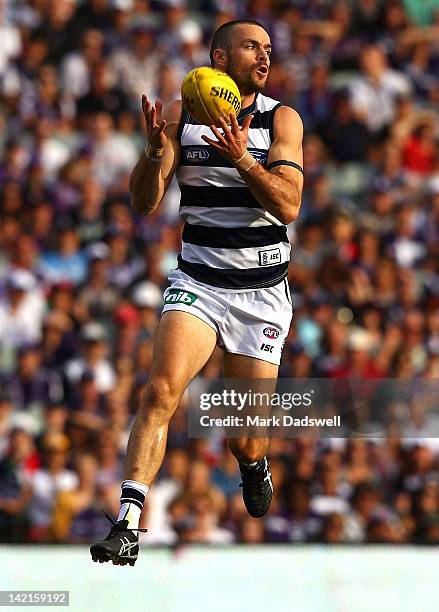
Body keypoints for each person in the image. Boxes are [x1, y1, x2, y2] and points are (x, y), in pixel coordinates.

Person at [90, 19, 304, 566]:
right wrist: (151, 150)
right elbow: (143, 202)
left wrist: (241, 158)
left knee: (244, 440)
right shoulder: (183, 118)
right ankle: (128, 522)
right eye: (252, 46)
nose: (264, 55)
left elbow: (287, 205)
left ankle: (253, 465)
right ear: (219, 55)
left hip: (261, 294)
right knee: (160, 392)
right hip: (199, 282)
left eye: (268, 48)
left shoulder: (282, 119)